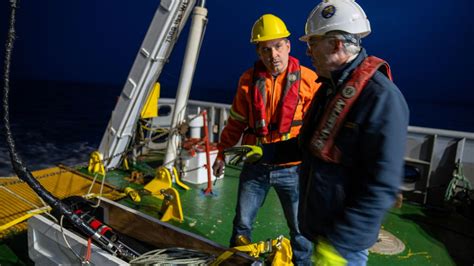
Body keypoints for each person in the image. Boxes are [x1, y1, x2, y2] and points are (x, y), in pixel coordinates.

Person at [297, 0, 409, 265]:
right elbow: (310, 145)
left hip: (343, 246)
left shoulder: (381, 98)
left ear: (335, 45)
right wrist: (265, 151)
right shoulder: (329, 89)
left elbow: (382, 185)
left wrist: (339, 246)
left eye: (312, 44)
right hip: (322, 232)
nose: (308, 53)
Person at [212, 14, 319, 265]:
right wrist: (221, 153)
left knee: (301, 228)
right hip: (255, 165)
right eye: (266, 49)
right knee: (242, 223)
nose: (273, 56)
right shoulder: (247, 81)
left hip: (293, 168)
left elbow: (318, 128)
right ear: (259, 52)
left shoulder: (309, 80)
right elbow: (236, 122)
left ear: (289, 46)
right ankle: (238, 261)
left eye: (278, 46)